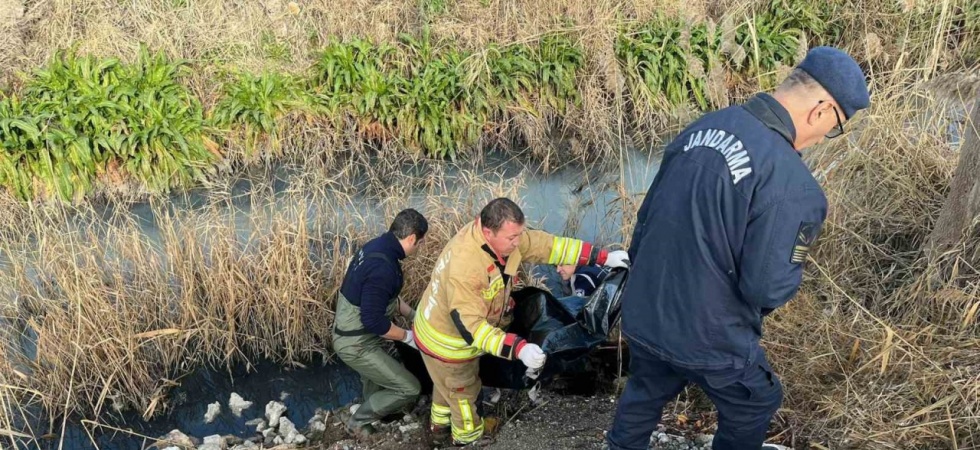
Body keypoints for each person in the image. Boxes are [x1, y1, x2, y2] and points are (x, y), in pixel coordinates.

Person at [606, 47, 871, 450]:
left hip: (646, 311)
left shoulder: (701, 128)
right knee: (755, 402)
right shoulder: (795, 186)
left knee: (644, 391)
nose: (823, 138)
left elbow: (645, 223)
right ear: (820, 111)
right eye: (835, 126)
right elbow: (766, 288)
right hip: (708, 333)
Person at [413, 198, 630, 446]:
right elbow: (472, 329)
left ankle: (438, 427)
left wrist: (601, 257)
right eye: (512, 238)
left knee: (445, 386)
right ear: (488, 232)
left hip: (434, 328)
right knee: (464, 392)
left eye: (519, 234)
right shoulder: (466, 266)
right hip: (448, 343)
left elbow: (551, 247)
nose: (518, 242)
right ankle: (468, 438)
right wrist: (519, 348)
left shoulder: (502, 240)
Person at [332, 208, 428, 436]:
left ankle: (377, 408)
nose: (419, 248)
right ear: (412, 237)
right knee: (410, 388)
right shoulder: (383, 267)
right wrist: (409, 338)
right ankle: (358, 422)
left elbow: (387, 297)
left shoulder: (378, 247)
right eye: (420, 242)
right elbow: (374, 322)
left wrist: (415, 317)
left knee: (375, 377)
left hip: (355, 333)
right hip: (355, 342)